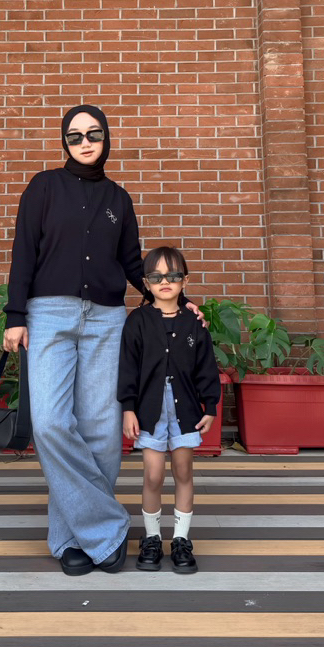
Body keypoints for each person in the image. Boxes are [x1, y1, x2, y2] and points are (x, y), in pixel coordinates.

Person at [1, 104, 204, 576]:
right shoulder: (43, 187)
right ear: (64, 142)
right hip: (49, 315)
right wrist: (15, 315)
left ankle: (73, 540)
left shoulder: (119, 198)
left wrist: (177, 299)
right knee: (50, 423)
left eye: (93, 134)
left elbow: (133, 264)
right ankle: (107, 528)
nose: (85, 142)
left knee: (101, 432)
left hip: (107, 320)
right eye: (74, 136)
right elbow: (23, 250)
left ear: (106, 138)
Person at [118, 246, 221, 573]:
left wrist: (210, 405)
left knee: (183, 471)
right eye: (156, 276)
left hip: (185, 410)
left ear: (184, 281)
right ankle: (151, 539)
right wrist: (128, 408)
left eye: (173, 276)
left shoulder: (194, 323)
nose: (165, 282)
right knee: (152, 474)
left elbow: (206, 367)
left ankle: (180, 539)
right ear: (146, 283)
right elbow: (127, 368)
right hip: (149, 412)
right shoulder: (137, 322)